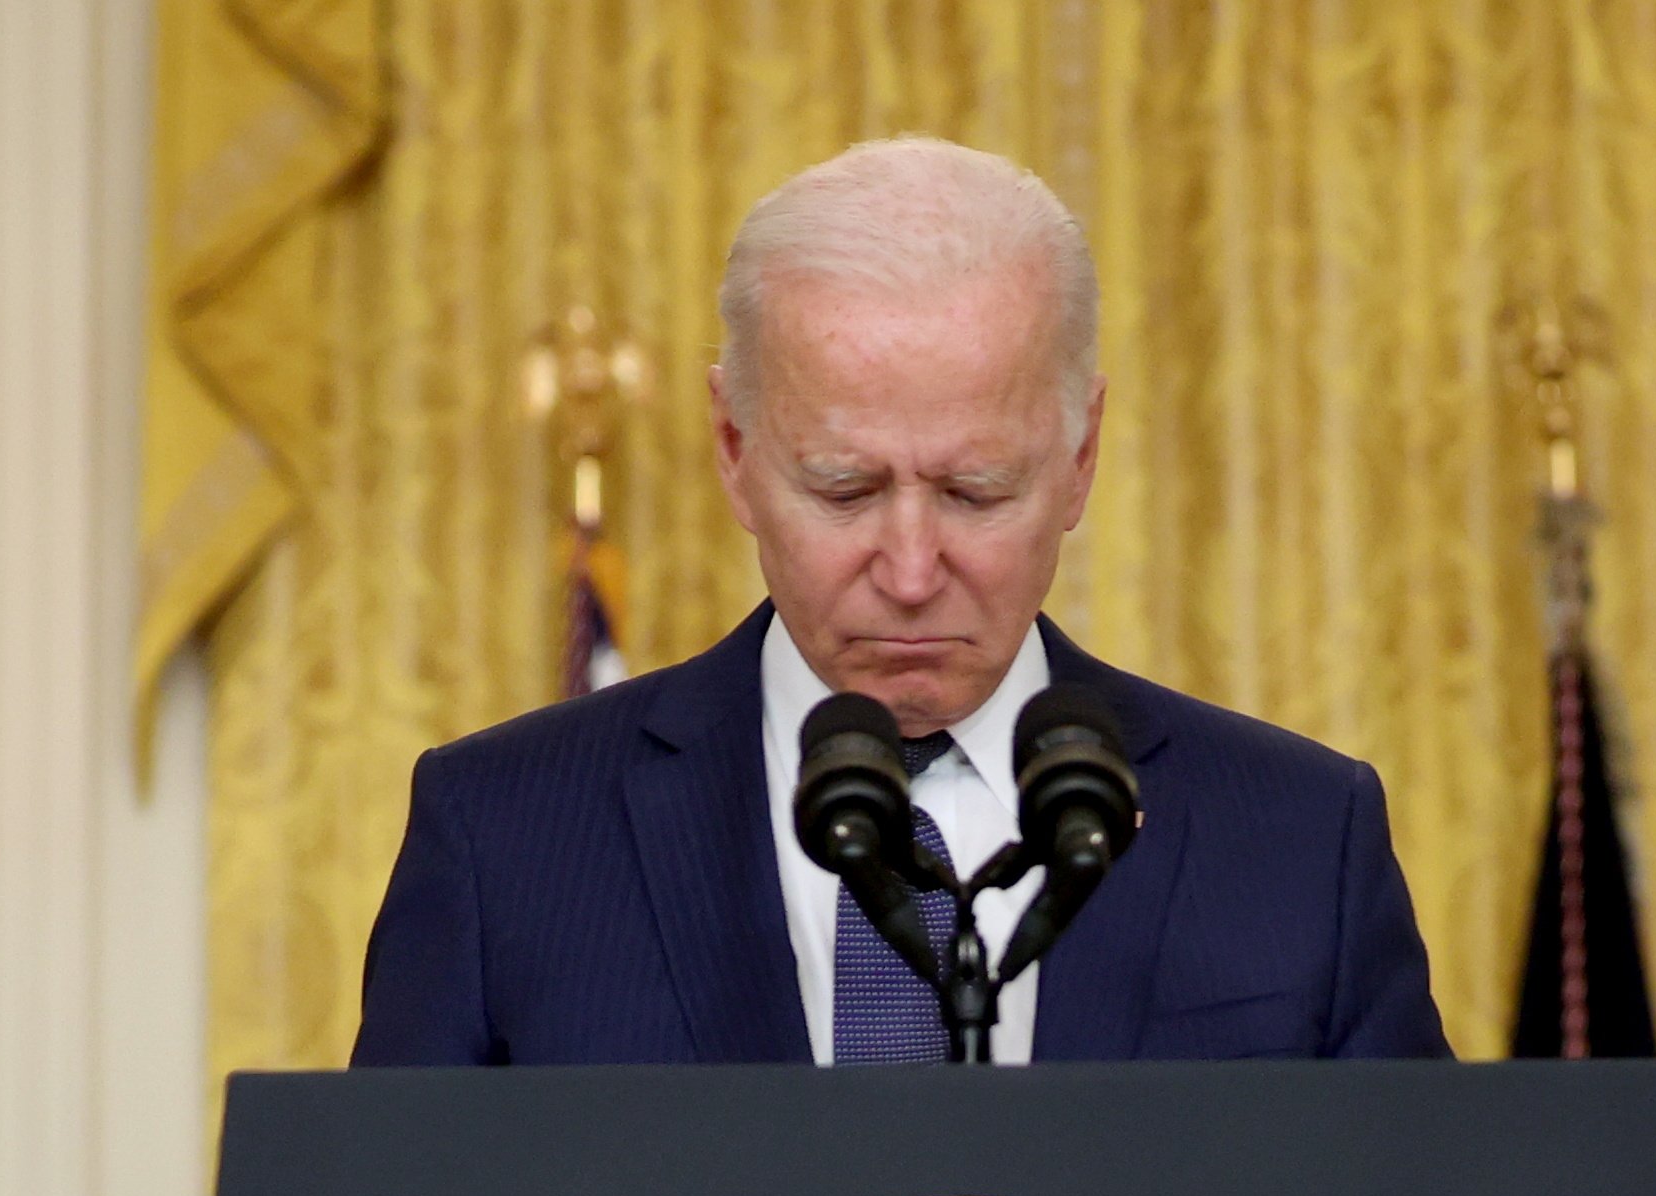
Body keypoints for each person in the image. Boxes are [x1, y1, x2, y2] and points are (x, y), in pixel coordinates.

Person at [352, 137, 1449, 1066]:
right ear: (733, 451)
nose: (912, 572)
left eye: (976, 492)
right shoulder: (503, 839)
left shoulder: (1298, 842)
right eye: (845, 489)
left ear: (1080, 457)